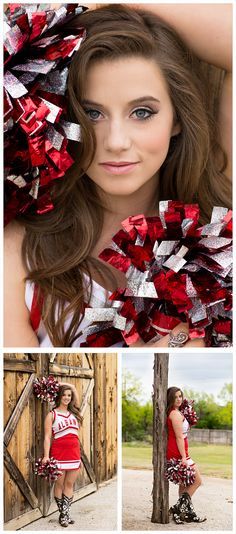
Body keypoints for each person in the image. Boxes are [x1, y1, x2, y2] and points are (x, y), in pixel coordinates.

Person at [4, 3, 232, 348]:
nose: (116, 142)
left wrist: (99, 3)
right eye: (92, 113)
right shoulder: (18, 248)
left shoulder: (220, 226)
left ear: (177, 118)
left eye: (142, 112)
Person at [42, 383, 82, 527]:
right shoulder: (52, 414)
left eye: (69, 395)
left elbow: (75, 392)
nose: (66, 398)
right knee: (59, 484)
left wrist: (69, 385)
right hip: (59, 454)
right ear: (59, 396)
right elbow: (47, 437)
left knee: (70, 484)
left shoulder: (74, 413)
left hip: (74, 453)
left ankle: (64, 514)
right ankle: (64, 515)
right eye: (64, 395)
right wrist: (46, 456)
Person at [166, 386, 205, 524]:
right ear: (170, 398)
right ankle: (178, 508)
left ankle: (185, 513)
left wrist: (188, 407)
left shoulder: (177, 411)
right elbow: (178, 437)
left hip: (181, 450)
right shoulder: (174, 414)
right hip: (178, 451)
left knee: (184, 483)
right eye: (175, 397)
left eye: (180, 396)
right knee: (198, 481)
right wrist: (183, 457)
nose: (178, 399)